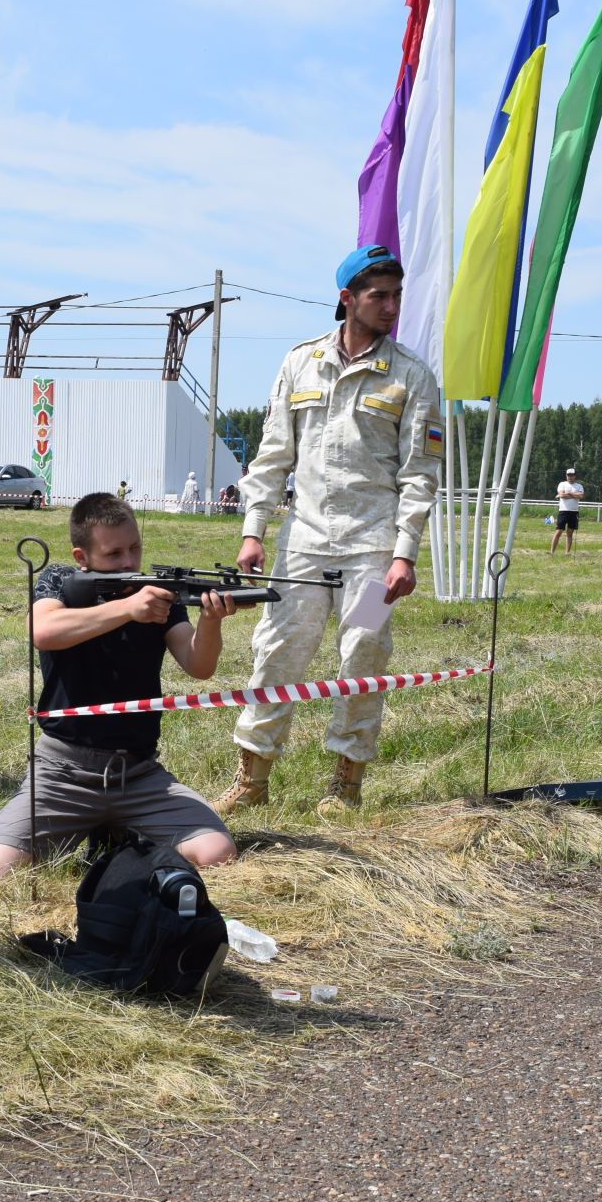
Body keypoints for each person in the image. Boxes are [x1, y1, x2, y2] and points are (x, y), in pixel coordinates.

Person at [215, 243, 442, 813]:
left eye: (396, 295)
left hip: (372, 549)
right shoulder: (300, 362)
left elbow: (420, 474)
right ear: (347, 299)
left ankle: (346, 784)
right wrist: (253, 531)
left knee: (364, 652)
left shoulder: (412, 376)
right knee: (278, 651)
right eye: (378, 296)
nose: (391, 307)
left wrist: (405, 553)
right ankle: (253, 777)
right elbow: (272, 456)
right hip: (305, 546)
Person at [0, 493, 241, 881]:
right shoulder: (60, 582)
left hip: (137, 772)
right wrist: (128, 610)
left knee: (217, 853)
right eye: (114, 554)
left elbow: (199, 665)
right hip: (62, 770)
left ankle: (122, 834)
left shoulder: (159, 595)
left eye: (135, 548)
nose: (130, 562)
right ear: (82, 558)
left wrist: (212, 620)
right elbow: (44, 631)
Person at [552, 468, 583, 553]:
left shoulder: (579, 486)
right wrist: (574, 495)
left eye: (571, 475)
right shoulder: (562, 484)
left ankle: (567, 553)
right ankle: (552, 552)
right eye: (568, 475)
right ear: (566, 475)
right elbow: (561, 495)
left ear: (575, 476)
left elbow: (581, 496)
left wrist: (568, 493)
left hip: (574, 512)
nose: (570, 477)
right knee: (558, 532)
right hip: (563, 511)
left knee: (570, 533)